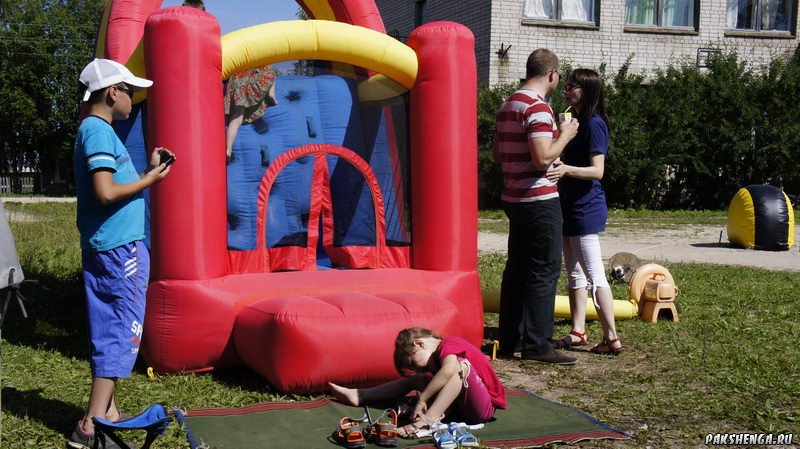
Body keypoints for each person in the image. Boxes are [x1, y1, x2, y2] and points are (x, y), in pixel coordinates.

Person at [69, 58, 174, 449]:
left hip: (107, 247)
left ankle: (108, 412)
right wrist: (150, 180)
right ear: (112, 92)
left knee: (107, 328)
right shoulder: (99, 132)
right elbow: (106, 191)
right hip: (120, 250)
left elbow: (112, 183)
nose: (133, 98)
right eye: (129, 90)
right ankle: (91, 428)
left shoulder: (93, 130)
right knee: (120, 332)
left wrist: (147, 170)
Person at [493, 49, 580, 365]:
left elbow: (499, 153)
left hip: (514, 197)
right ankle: (538, 345)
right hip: (539, 201)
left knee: (517, 269)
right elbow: (542, 157)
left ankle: (510, 339)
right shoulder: (538, 108)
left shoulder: (509, 104)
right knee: (544, 270)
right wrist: (566, 134)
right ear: (553, 73)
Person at [545, 69, 623, 355]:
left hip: (584, 208)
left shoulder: (595, 124)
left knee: (595, 276)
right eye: (566, 85)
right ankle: (578, 331)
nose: (567, 91)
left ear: (587, 91)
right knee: (575, 274)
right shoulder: (575, 122)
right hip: (568, 205)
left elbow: (597, 171)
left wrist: (565, 169)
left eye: (573, 87)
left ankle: (611, 337)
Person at [329, 327, 506, 437]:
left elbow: (450, 370)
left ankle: (426, 420)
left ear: (419, 344)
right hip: (463, 404)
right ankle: (360, 395)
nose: (419, 369)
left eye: (414, 363)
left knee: (459, 366)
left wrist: (423, 399)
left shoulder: (449, 344)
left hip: (483, 407)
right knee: (417, 380)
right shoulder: (437, 359)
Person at [224, 65, 277, 161]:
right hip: (250, 80)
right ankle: (271, 92)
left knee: (236, 120)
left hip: (236, 82)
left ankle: (228, 149)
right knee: (270, 70)